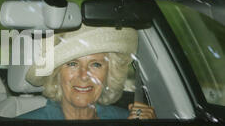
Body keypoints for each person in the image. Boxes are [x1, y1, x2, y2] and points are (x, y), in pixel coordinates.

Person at [19, 25, 156, 120]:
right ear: (57, 73)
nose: (84, 76)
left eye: (95, 64)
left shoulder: (127, 121)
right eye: (72, 64)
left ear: (110, 72)